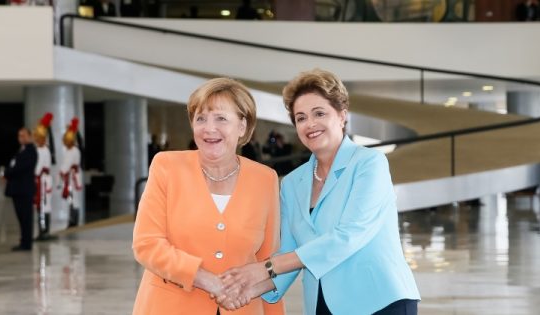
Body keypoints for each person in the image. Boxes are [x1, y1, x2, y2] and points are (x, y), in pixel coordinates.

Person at [218, 69, 421, 314]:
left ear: (342, 116)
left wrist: (266, 267)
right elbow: (289, 252)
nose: (310, 124)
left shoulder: (369, 163)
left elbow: (348, 235)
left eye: (319, 113)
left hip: (379, 301)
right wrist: (249, 291)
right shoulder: (292, 183)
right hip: (322, 304)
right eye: (301, 118)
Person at [131, 78, 284, 315]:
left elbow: (268, 262)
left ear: (242, 126)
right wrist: (207, 280)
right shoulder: (166, 167)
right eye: (200, 118)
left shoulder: (265, 179)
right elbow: (147, 244)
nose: (209, 128)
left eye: (221, 118)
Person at [5, 128, 38, 251]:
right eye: (19, 136)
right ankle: (23, 240)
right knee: (21, 216)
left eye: (24, 135)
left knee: (26, 217)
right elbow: (12, 166)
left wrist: (9, 172)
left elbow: (19, 168)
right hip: (18, 189)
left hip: (25, 189)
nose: (21, 138)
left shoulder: (31, 151)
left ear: (29, 137)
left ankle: (27, 243)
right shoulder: (20, 151)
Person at [33, 113, 54, 241]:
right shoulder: (40, 149)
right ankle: (42, 229)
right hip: (40, 180)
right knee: (41, 206)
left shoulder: (44, 150)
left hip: (43, 181)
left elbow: (39, 167)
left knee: (43, 205)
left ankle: (44, 230)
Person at [60, 118, 83, 228]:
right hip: (73, 176)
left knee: (73, 199)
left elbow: (66, 165)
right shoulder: (75, 150)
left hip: (72, 177)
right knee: (73, 199)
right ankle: (73, 219)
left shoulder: (72, 151)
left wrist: (62, 172)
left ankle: (73, 220)